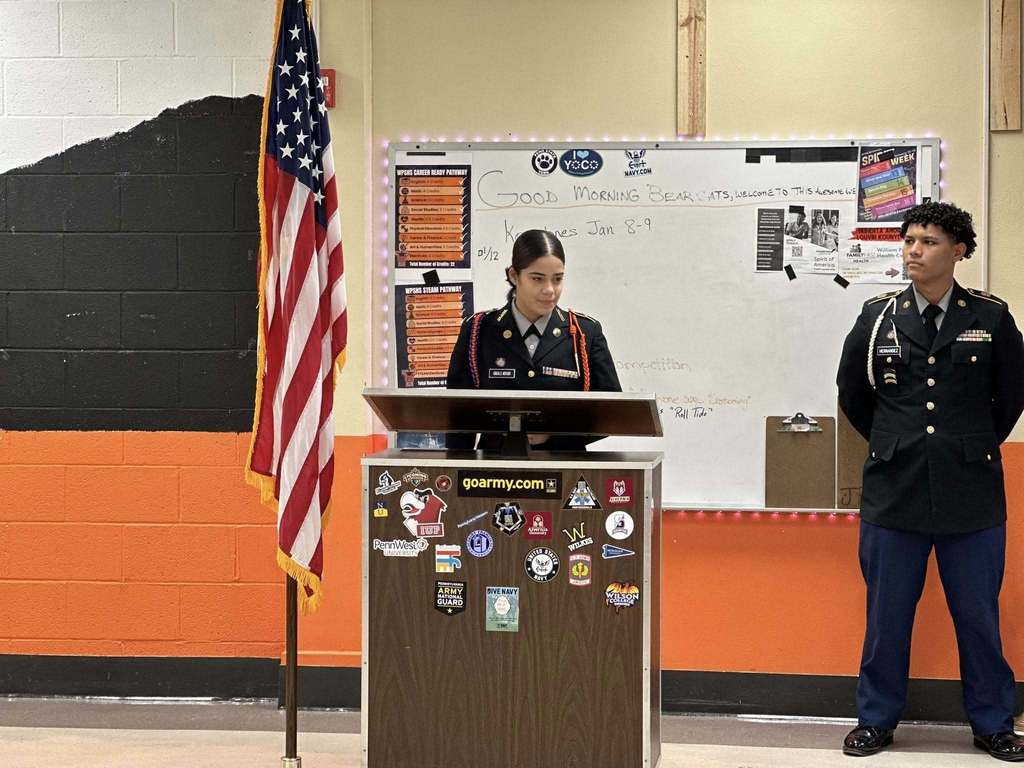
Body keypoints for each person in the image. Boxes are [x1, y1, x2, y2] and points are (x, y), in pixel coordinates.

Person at [836, 201, 1024, 761]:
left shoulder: (991, 319)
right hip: (896, 489)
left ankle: (993, 723)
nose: (914, 250)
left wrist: (963, 444)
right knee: (887, 615)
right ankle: (875, 720)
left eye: (929, 241)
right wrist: (897, 442)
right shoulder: (878, 317)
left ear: (958, 250)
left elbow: (1010, 398)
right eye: (910, 239)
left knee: (978, 614)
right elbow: (854, 395)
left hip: (971, 491)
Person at [446, 229, 621, 449]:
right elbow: (458, 417)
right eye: (537, 279)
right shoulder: (478, 331)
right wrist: (459, 474)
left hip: (567, 470)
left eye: (557, 279)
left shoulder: (585, 332)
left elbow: (613, 413)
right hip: (493, 472)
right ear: (513, 276)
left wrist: (554, 434)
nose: (549, 290)